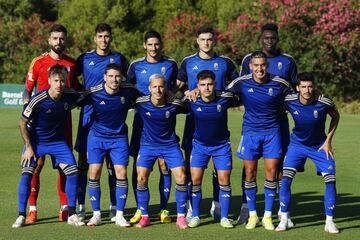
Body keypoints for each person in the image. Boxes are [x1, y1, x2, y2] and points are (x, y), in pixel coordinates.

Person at [237, 23, 297, 225]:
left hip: (277, 124)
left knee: (279, 168)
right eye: (266, 37)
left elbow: (296, 91)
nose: (269, 41)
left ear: (277, 38)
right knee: (249, 170)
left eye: (273, 37)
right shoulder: (247, 61)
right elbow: (238, 89)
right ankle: (249, 210)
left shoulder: (287, 61)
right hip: (252, 125)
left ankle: (280, 212)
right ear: (261, 38)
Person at [176, 26, 239, 220]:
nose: (206, 43)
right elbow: (176, 88)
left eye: (209, 39)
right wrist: (187, 93)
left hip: (217, 120)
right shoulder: (188, 62)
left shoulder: (225, 63)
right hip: (193, 121)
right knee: (192, 167)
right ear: (197, 41)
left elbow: (238, 86)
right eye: (203, 39)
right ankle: (190, 207)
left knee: (217, 168)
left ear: (214, 41)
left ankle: (216, 203)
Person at [22, 24, 82, 224]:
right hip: (40, 124)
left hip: (63, 122)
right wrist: (26, 108)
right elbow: (27, 90)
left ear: (66, 40)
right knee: (35, 165)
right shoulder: (38, 62)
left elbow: (77, 90)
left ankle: (65, 208)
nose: (59, 42)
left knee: (65, 168)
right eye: (55, 38)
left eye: (62, 38)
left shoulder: (72, 64)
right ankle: (32, 209)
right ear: (49, 40)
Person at [226, 51, 292, 230]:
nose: (259, 68)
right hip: (250, 134)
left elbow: (295, 97)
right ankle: (253, 215)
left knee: (271, 173)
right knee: (250, 174)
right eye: (256, 65)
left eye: (262, 65)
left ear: (267, 65)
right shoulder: (242, 82)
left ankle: (268, 216)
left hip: (272, 133)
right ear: (250, 66)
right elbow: (222, 94)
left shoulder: (279, 83)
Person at [12, 65, 84, 228]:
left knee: (73, 172)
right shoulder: (38, 99)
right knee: (27, 174)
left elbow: (84, 96)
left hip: (58, 142)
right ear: (50, 81)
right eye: (56, 80)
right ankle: (21, 215)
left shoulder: (69, 94)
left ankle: (72, 214)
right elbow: (22, 123)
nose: (59, 84)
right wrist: (29, 147)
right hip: (36, 142)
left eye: (62, 81)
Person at [75, 23, 129, 221]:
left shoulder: (119, 59)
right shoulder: (85, 58)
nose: (104, 40)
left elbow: (129, 81)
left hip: (111, 116)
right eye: (100, 36)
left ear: (111, 38)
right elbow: (72, 79)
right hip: (89, 115)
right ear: (95, 38)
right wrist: (85, 92)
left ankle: (114, 206)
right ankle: (82, 205)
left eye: (107, 36)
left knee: (112, 164)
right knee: (84, 163)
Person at [276, 72, 340, 233]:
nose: (307, 90)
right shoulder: (289, 100)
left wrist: (328, 141)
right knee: (286, 179)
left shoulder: (324, 102)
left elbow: (336, 116)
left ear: (314, 87)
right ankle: (284, 218)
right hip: (297, 146)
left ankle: (329, 222)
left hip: (320, 146)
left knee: (330, 180)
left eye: (310, 86)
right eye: (303, 87)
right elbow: (277, 110)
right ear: (297, 88)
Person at [77, 64, 138, 227]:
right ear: (105, 77)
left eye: (117, 76)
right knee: (94, 172)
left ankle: (119, 215)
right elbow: (74, 100)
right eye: (110, 76)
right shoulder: (93, 91)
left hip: (119, 138)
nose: (114, 79)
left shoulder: (129, 90)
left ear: (122, 77)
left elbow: (149, 97)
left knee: (121, 172)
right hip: (97, 137)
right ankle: (96, 214)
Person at [127, 30, 178, 224]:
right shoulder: (136, 65)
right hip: (141, 121)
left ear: (161, 45)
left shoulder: (171, 64)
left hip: (164, 122)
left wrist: (172, 93)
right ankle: (141, 209)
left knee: (164, 164)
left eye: (157, 44)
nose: (153, 48)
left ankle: (164, 209)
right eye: (150, 44)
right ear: (144, 46)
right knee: (139, 166)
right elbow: (127, 87)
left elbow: (176, 86)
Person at [185, 70, 240, 229]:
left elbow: (243, 94)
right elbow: (172, 102)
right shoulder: (191, 100)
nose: (206, 88)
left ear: (215, 84)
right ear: (198, 86)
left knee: (224, 180)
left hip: (221, 146)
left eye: (209, 84)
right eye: (203, 85)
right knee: (195, 181)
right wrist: (185, 92)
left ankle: (224, 217)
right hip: (199, 146)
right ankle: (195, 215)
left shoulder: (225, 98)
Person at [134, 74, 188, 229]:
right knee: (141, 178)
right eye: (155, 87)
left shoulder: (174, 104)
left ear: (166, 89)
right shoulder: (141, 102)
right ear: (150, 88)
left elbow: (189, 105)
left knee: (182, 176)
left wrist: (190, 92)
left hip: (170, 145)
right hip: (148, 146)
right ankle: (144, 217)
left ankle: (181, 217)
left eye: (161, 86)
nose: (158, 90)